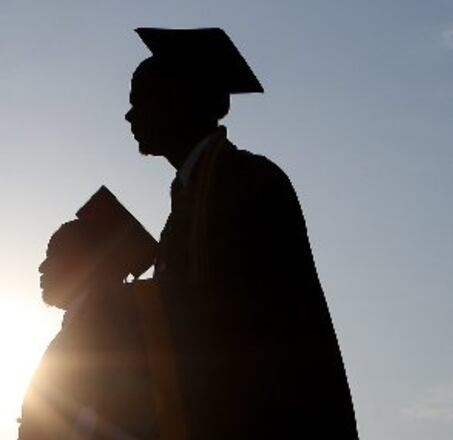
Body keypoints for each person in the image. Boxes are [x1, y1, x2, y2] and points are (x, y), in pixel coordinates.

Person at [125, 28, 358, 438]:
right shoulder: (191, 194)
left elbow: (251, 319)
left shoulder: (247, 181)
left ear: (183, 98)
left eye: (141, 98)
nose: (130, 115)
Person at [19, 187, 158, 439]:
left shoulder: (108, 327)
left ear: (85, 260)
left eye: (54, 254)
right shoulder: (90, 324)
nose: (42, 266)